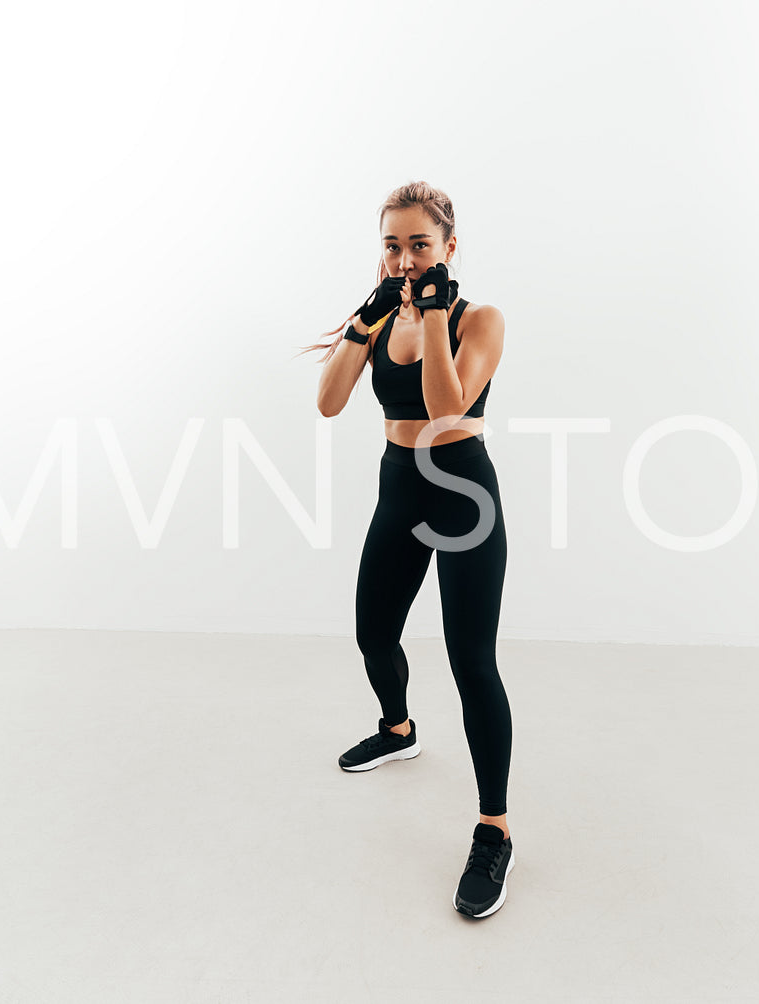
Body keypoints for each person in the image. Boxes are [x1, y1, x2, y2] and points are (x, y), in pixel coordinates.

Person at [300, 180, 514, 919]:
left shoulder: (480, 319)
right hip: (400, 488)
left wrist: (427, 320)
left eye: (419, 243)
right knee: (372, 632)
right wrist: (364, 327)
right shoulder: (384, 312)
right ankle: (398, 730)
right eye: (391, 244)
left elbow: (447, 405)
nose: (403, 258)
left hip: (460, 495)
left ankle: (493, 828)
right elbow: (329, 402)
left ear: (449, 247)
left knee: (471, 663)